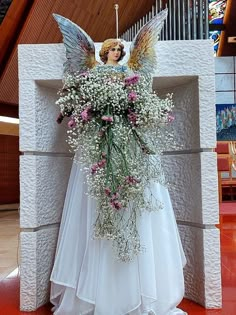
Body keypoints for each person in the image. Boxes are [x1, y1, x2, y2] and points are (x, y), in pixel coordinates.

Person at [50, 37, 187, 315]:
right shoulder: (95, 73)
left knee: (137, 206)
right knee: (95, 207)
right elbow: (88, 100)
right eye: (112, 49)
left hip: (128, 143)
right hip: (102, 141)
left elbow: (137, 99)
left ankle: (143, 289)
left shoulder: (129, 73)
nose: (116, 52)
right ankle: (97, 294)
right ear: (104, 52)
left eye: (119, 50)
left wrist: (132, 110)